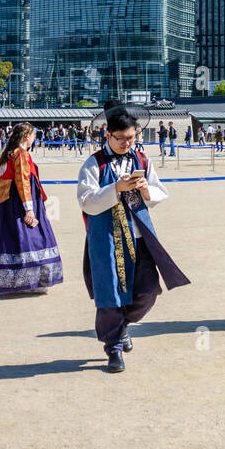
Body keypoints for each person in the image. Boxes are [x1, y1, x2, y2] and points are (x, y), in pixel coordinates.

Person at [77, 104, 191, 373]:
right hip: (106, 239)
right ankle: (113, 348)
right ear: (108, 135)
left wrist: (145, 190)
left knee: (148, 291)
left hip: (139, 236)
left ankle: (122, 325)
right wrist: (115, 188)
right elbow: (86, 201)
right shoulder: (94, 163)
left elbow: (160, 191)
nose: (126, 143)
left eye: (131, 138)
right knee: (111, 295)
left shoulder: (141, 160)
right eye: (121, 139)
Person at [0, 122, 64, 294]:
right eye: (32, 135)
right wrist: (29, 208)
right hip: (20, 200)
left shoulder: (8, 154)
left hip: (6, 202)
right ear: (25, 137)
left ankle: (12, 280)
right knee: (32, 236)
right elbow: (23, 180)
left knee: (11, 238)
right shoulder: (21, 154)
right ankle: (34, 280)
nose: (34, 138)